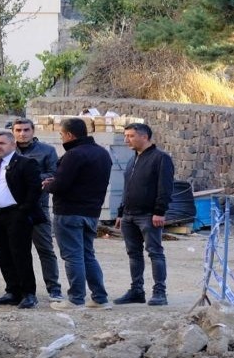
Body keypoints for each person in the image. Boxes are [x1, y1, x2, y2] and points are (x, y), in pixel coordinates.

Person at [44, 117, 113, 310]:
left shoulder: (73, 155)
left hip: (69, 212)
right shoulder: (102, 153)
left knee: (73, 256)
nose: (61, 138)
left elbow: (61, 185)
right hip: (91, 212)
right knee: (87, 255)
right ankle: (100, 298)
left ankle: (75, 299)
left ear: (69, 135)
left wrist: (48, 185)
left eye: (61, 134)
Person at [0, 130, 45, 309]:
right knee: (3, 255)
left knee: (20, 255)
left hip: (16, 215)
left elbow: (35, 190)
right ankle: (12, 291)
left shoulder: (26, 163)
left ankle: (28, 294)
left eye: (2, 143)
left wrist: (22, 211)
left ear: (13, 144)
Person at [113, 123, 175, 306]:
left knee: (155, 252)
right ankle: (136, 290)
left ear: (144, 137)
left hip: (148, 216)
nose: (126, 140)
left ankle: (159, 292)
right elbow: (127, 188)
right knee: (133, 254)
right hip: (129, 216)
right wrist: (120, 212)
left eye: (131, 136)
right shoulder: (133, 159)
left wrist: (159, 212)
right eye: (126, 136)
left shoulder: (161, 158)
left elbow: (165, 187)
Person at [12, 117, 62, 300]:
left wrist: (27, 177)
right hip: (12, 208)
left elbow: (54, 174)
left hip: (36, 206)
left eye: (26, 130)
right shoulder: (9, 149)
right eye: (18, 130)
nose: (22, 134)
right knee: (16, 251)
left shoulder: (47, 151)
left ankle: (54, 288)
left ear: (33, 131)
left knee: (45, 249)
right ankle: (18, 289)